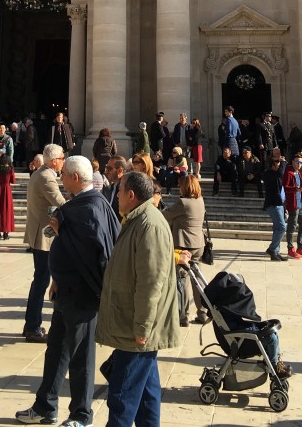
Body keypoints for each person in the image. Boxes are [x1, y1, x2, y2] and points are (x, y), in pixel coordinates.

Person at [16, 155, 120, 427]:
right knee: (56, 350)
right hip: (65, 292)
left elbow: (94, 248)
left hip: (83, 294)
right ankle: (45, 406)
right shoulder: (81, 204)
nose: (61, 179)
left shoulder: (90, 206)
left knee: (81, 356)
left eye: (64, 175)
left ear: (75, 178)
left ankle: (81, 415)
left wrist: (61, 228)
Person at [96, 171, 180, 427]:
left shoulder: (149, 224)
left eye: (120, 191)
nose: (117, 195)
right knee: (146, 395)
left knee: (122, 396)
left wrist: (142, 328)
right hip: (134, 324)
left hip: (137, 329)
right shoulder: (136, 219)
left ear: (131, 195)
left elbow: (150, 282)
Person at [22, 143, 66, 341]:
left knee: (39, 280)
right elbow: (61, 203)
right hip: (44, 236)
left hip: (38, 232)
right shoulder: (47, 177)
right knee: (41, 282)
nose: (64, 162)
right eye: (62, 158)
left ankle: (31, 324)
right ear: (54, 160)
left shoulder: (39, 173)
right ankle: (33, 326)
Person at [163, 174, 208, 324]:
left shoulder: (183, 203)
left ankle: (183, 315)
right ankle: (202, 313)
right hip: (198, 244)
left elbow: (165, 215)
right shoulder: (200, 201)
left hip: (183, 246)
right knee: (197, 281)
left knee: (182, 281)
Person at [283, 154, 302, 258]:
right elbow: (285, 188)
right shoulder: (288, 172)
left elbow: (301, 191)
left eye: (301, 162)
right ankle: (290, 248)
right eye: (298, 162)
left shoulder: (298, 173)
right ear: (293, 162)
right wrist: (295, 189)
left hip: (300, 205)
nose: (299, 164)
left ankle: (300, 247)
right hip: (292, 204)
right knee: (292, 227)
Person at [263, 154, 287, 261]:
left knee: (277, 228)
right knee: (282, 228)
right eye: (277, 163)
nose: (279, 165)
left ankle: (276, 252)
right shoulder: (268, 174)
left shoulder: (277, 175)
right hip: (273, 205)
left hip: (280, 204)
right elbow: (280, 172)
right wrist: (283, 162)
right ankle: (272, 249)